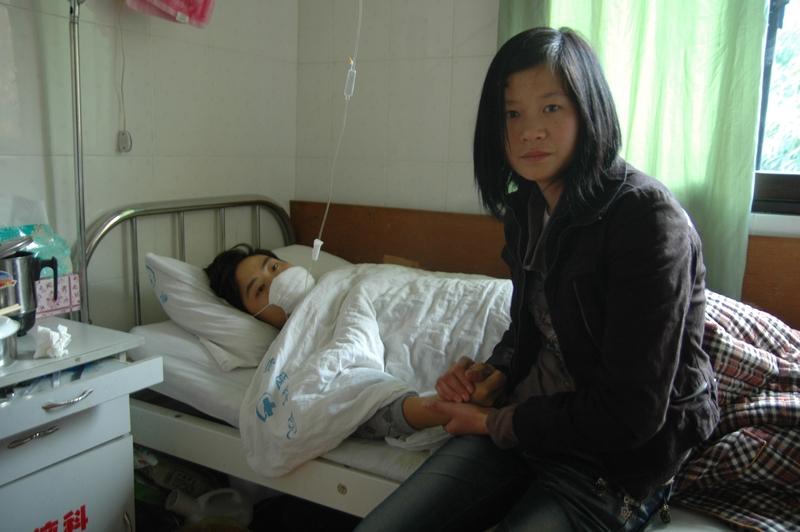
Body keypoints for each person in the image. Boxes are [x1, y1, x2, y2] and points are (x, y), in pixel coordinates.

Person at [354, 27, 720, 532]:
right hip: (528, 424)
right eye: (512, 114)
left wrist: (494, 422)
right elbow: (533, 330)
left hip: (616, 460)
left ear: (589, 110)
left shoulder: (648, 220)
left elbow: (631, 414)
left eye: (551, 108)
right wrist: (495, 374)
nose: (530, 131)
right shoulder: (527, 208)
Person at [204, 243, 502, 439]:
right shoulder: (295, 351)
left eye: (273, 267)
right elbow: (344, 402)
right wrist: (444, 406)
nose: (277, 280)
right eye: (260, 289)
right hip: (466, 374)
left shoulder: (345, 278)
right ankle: (461, 398)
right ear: (255, 316)